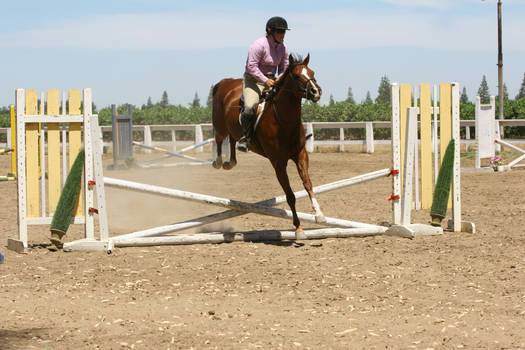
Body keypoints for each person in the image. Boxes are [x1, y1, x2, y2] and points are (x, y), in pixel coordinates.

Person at [237, 16, 290, 152]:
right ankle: (246, 138)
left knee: (288, 102)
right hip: (253, 80)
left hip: (272, 81)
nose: (283, 34)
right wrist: (265, 80)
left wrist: (280, 77)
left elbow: (285, 66)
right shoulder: (258, 45)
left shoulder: (283, 48)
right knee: (250, 106)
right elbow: (251, 67)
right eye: (280, 31)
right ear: (270, 31)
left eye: (284, 31)